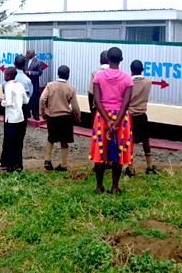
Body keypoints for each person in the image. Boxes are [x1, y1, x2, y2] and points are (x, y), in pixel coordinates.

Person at [89, 47, 133, 194]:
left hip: (102, 117)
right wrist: (116, 121)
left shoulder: (98, 76)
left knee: (100, 151)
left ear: (107, 59)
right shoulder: (127, 78)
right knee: (119, 151)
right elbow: (126, 103)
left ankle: (99, 185)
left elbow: (96, 100)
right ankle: (115, 186)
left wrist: (108, 121)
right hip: (121, 118)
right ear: (121, 60)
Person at [40, 65, 81, 172]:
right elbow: (75, 107)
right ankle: (63, 164)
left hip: (53, 116)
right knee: (64, 141)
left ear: (58, 73)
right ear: (67, 75)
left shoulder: (50, 85)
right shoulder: (71, 88)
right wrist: (78, 118)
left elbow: (42, 99)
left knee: (51, 138)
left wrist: (43, 113)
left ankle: (47, 160)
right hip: (66, 117)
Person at [125, 60, 161, 176]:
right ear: (142, 70)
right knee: (145, 140)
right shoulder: (148, 82)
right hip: (142, 115)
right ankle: (149, 165)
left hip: (129, 115)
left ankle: (131, 167)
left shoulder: (127, 82)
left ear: (131, 70)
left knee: (128, 141)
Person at [0, 55, 33, 171]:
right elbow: (26, 100)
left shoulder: (8, 86)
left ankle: (10, 165)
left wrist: (1, 102)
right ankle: (19, 164)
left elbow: (8, 102)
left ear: (8, 76)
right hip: (20, 116)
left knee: (9, 142)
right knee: (19, 142)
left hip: (11, 118)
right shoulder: (20, 84)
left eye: (5, 75)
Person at [25, 48, 44, 120]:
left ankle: (35, 114)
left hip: (34, 83)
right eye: (26, 53)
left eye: (28, 53)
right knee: (26, 98)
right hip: (26, 83)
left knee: (35, 99)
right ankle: (27, 114)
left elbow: (39, 73)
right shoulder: (25, 60)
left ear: (33, 54)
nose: (27, 54)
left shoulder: (38, 62)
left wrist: (29, 73)